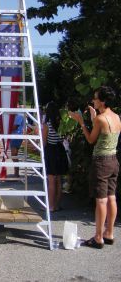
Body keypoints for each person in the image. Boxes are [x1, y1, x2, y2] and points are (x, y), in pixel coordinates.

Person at [69, 86, 120, 249]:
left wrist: (82, 122)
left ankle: (98, 237)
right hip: (113, 161)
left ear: (103, 101)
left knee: (101, 200)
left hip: (101, 162)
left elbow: (91, 140)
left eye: (96, 98)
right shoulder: (116, 117)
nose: (93, 100)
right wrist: (94, 117)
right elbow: (105, 134)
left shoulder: (100, 119)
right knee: (112, 197)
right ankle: (109, 233)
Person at [42, 102, 68, 212]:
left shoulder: (47, 125)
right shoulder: (61, 123)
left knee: (51, 180)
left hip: (51, 151)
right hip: (60, 151)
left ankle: (50, 206)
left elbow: (44, 142)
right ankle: (57, 205)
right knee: (59, 180)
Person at [10, 110, 25, 177]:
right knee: (14, 155)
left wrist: (4, 129)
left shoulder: (19, 116)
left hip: (17, 137)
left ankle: (16, 173)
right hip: (13, 137)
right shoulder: (13, 116)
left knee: (14, 155)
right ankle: (16, 173)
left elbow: (15, 127)